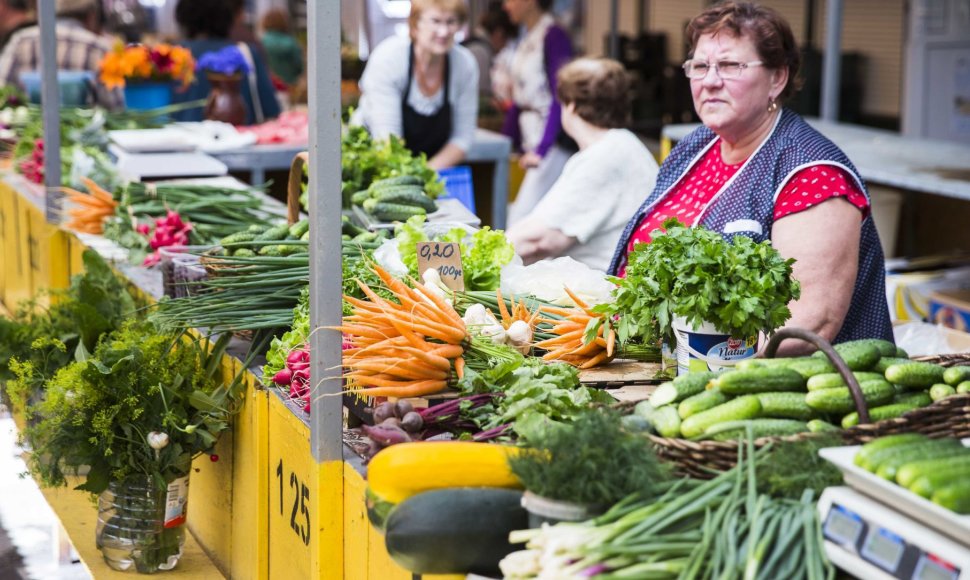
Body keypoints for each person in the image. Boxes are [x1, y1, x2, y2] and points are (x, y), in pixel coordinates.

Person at [608, 1, 893, 352]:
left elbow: (808, 320)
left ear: (777, 77)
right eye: (699, 66)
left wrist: (709, 366)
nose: (710, 81)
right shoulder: (695, 145)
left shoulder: (812, 172)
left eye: (729, 65)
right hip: (656, 361)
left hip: (763, 384)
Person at [507, 58, 658, 271]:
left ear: (571, 106)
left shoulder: (605, 156)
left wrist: (484, 253)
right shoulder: (624, 146)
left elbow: (540, 240)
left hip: (598, 294)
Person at [351, 0, 478, 171]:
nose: (444, 31)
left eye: (451, 21)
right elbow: (388, 141)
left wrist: (425, 173)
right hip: (375, 160)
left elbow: (462, 138)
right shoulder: (389, 59)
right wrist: (411, 181)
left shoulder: (465, 64)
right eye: (436, 21)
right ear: (415, 24)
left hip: (428, 166)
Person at [501, 0, 574, 226]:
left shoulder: (553, 35)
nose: (505, 6)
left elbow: (560, 94)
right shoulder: (528, 35)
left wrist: (542, 150)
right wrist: (505, 143)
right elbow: (520, 98)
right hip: (531, 141)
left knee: (521, 218)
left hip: (551, 145)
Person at [171, 0, 281, 125]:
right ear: (228, 15)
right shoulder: (245, 53)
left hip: (180, 142)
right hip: (241, 141)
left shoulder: (170, 57)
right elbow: (271, 109)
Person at [0, 0, 121, 109]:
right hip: (84, 130)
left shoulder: (21, 40)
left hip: (29, 130)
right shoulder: (98, 47)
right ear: (91, 16)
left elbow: (2, 89)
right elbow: (114, 105)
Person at [259, 8, 303, 88]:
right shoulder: (291, 42)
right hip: (290, 86)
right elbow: (299, 67)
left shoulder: (261, 43)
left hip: (269, 86)